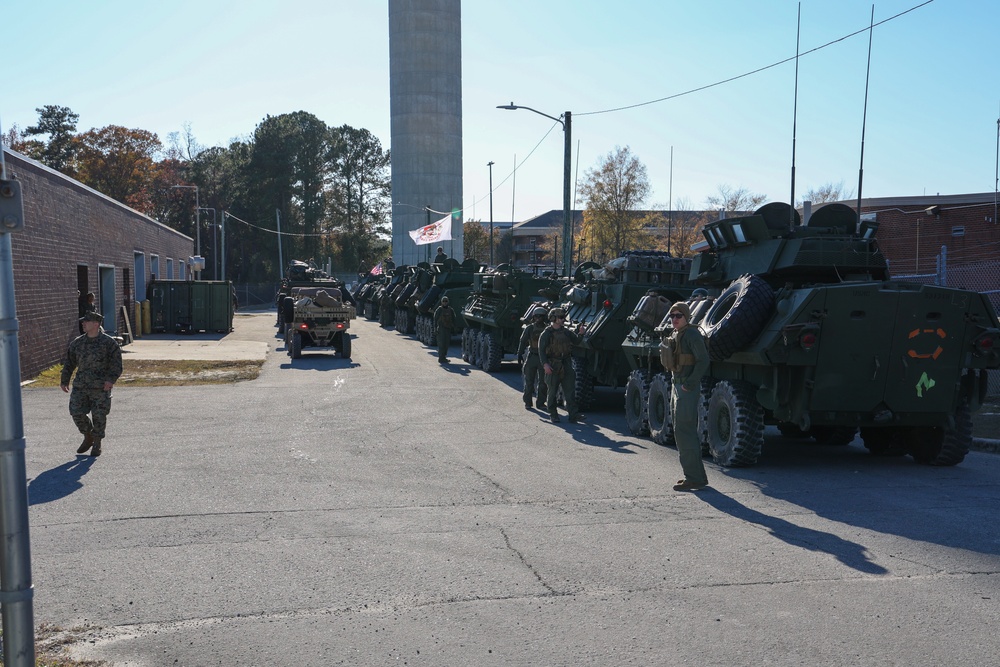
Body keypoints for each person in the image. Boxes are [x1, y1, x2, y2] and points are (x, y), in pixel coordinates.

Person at [60, 311, 123, 458]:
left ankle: (97, 443)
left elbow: (116, 365)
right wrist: (64, 380)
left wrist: (110, 380)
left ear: (96, 324)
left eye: (86, 322)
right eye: (83, 321)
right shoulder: (78, 343)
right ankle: (88, 435)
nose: (83, 323)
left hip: (100, 387)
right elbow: (69, 363)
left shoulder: (109, 343)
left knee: (99, 416)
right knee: (76, 411)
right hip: (81, 385)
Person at [663, 302, 710, 491]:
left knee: (685, 431)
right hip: (678, 386)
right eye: (672, 315)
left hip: (686, 388)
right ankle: (694, 476)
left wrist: (689, 384)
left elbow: (703, 360)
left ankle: (695, 478)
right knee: (680, 431)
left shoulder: (691, 334)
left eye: (678, 315)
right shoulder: (677, 333)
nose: (674, 319)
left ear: (686, 317)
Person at [538, 308, 585, 424]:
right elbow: (541, 351)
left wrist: (581, 334)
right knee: (552, 391)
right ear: (554, 318)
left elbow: (576, 341)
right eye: (561, 317)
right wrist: (545, 365)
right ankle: (553, 414)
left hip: (566, 363)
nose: (563, 319)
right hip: (553, 364)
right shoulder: (546, 334)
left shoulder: (566, 332)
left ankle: (573, 415)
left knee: (570, 390)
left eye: (564, 317)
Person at [516, 307, 549, 410]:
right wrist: (519, 353)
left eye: (541, 316)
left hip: (543, 358)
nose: (538, 318)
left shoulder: (548, 329)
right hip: (532, 356)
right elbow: (523, 341)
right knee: (529, 381)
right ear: (533, 317)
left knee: (543, 383)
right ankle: (528, 402)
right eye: (536, 316)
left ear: (544, 317)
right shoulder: (530, 328)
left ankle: (540, 403)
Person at [434, 296, 455, 363]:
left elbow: (454, 319)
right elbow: (435, 319)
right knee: (441, 344)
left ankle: (444, 357)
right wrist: (435, 328)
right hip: (441, 329)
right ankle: (441, 358)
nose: (445, 303)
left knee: (446, 344)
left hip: (448, 329)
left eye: (446, 301)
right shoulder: (439, 309)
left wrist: (454, 328)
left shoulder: (450, 310)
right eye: (443, 301)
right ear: (441, 302)